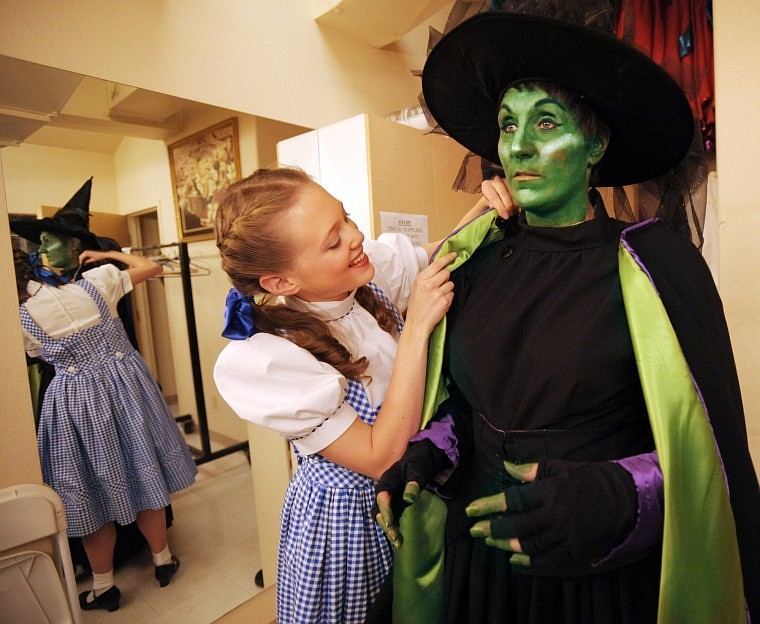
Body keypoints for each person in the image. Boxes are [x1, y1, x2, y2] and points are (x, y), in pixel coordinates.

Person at [373, 11, 760, 624]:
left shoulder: (655, 265)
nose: (518, 146)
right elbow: (464, 406)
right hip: (482, 564)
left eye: (545, 122)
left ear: (595, 146)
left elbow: (705, 456)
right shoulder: (476, 262)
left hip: (595, 574)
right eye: (507, 125)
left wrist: (617, 499)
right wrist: (429, 454)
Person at [212, 167, 511, 623]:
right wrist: (416, 332)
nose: (356, 236)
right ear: (280, 282)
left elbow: (442, 252)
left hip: (411, 490)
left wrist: (487, 206)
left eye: (346, 218)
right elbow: (379, 456)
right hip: (351, 520)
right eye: (333, 241)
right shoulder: (271, 358)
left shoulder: (366, 276)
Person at [12, 209, 198, 613]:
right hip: (126, 389)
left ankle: (104, 586)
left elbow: (33, 355)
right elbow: (150, 265)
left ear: (74, 247)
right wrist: (110, 257)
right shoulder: (100, 282)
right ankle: (162, 561)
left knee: (91, 493)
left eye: (49, 240)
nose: (40, 247)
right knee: (144, 477)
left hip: (74, 401)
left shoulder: (23, 315)